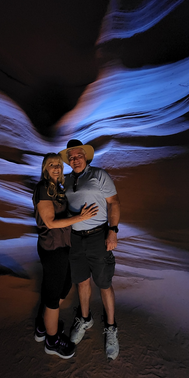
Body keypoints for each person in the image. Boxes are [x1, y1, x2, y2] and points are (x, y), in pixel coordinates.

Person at [58, 139, 121, 360]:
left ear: (86, 157)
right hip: (75, 239)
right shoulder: (64, 181)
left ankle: (111, 328)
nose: (75, 160)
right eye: (71, 157)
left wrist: (112, 230)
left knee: (104, 283)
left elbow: (114, 202)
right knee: (82, 281)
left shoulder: (99, 175)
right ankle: (85, 318)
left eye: (78, 155)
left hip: (98, 236)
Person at [32, 153, 98, 359]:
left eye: (58, 165)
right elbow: (50, 222)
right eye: (51, 165)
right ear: (45, 169)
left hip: (62, 247)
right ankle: (51, 341)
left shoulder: (57, 189)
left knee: (63, 285)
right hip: (53, 249)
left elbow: (62, 215)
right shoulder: (43, 188)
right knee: (54, 295)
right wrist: (80, 217)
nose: (56, 167)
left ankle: (43, 326)